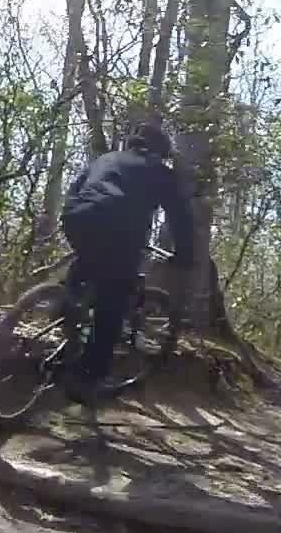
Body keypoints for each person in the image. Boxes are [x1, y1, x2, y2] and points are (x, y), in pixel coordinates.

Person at [58, 125, 193, 404]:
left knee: (90, 265)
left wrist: (75, 220)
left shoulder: (105, 159)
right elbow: (180, 216)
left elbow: (75, 189)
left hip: (77, 216)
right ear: (159, 152)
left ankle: (65, 310)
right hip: (118, 228)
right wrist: (185, 254)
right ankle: (90, 377)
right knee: (114, 300)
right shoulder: (160, 172)